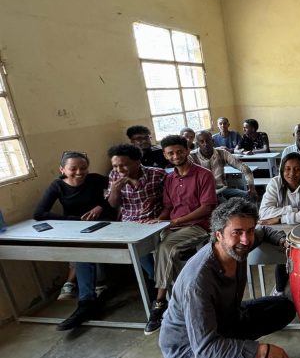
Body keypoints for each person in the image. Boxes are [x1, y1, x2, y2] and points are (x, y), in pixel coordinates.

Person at [159, 198, 295, 358]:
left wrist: (283, 241)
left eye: (248, 231)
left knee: (283, 307)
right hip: (189, 346)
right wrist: (261, 350)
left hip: (226, 320)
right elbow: (205, 349)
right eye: (237, 232)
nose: (246, 239)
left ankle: (233, 351)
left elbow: (262, 231)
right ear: (218, 234)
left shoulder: (240, 244)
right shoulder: (198, 282)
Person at [144, 135, 218, 335]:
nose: (175, 156)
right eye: (170, 153)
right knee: (163, 249)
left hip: (199, 225)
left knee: (167, 247)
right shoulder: (169, 179)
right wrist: (159, 220)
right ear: (165, 155)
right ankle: (186, 298)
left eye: (179, 151)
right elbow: (168, 207)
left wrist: (175, 222)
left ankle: (159, 301)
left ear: (187, 150)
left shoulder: (204, 175)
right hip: (174, 227)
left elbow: (207, 207)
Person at [34, 151, 115, 329]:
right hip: (77, 229)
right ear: (62, 169)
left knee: (86, 253)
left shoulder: (94, 179)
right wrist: (75, 220)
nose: (79, 172)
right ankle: (86, 301)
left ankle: (88, 295)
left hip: (105, 226)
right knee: (83, 252)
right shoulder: (57, 185)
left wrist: (101, 206)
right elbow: (39, 213)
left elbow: (116, 193)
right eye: (73, 169)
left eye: (83, 168)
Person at [259, 153, 300, 296]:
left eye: (297, 169)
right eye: (287, 169)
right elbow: (264, 212)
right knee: (283, 255)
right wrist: (293, 210)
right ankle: (280, 290)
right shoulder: (275, 183)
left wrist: (280, 218)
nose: (291, 173)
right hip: (286, 229)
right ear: (282, 170)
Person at [107, 143, 166, 286]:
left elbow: (171, 201)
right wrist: (115, 190)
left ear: (138, 162)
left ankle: (160, 282)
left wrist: (155, 200)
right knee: (140, 252)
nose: (119, 170)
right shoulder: (114, 176)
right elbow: (113, 204)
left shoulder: (157, 174)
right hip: (130, 224)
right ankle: (156, 281)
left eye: (123, 165)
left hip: (156, 221)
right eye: (115, 166)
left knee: (163, 252)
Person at [189, 130, 258, 203]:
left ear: (213, 141)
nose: (205, 144)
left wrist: (251, 187)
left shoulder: (222, 153)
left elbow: (244, 168)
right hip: (204, 193)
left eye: (208, 140)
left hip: (223, 190)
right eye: (201, 141)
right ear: (197, 144)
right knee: (225, 206)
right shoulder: (192, 157)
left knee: (251, 196)